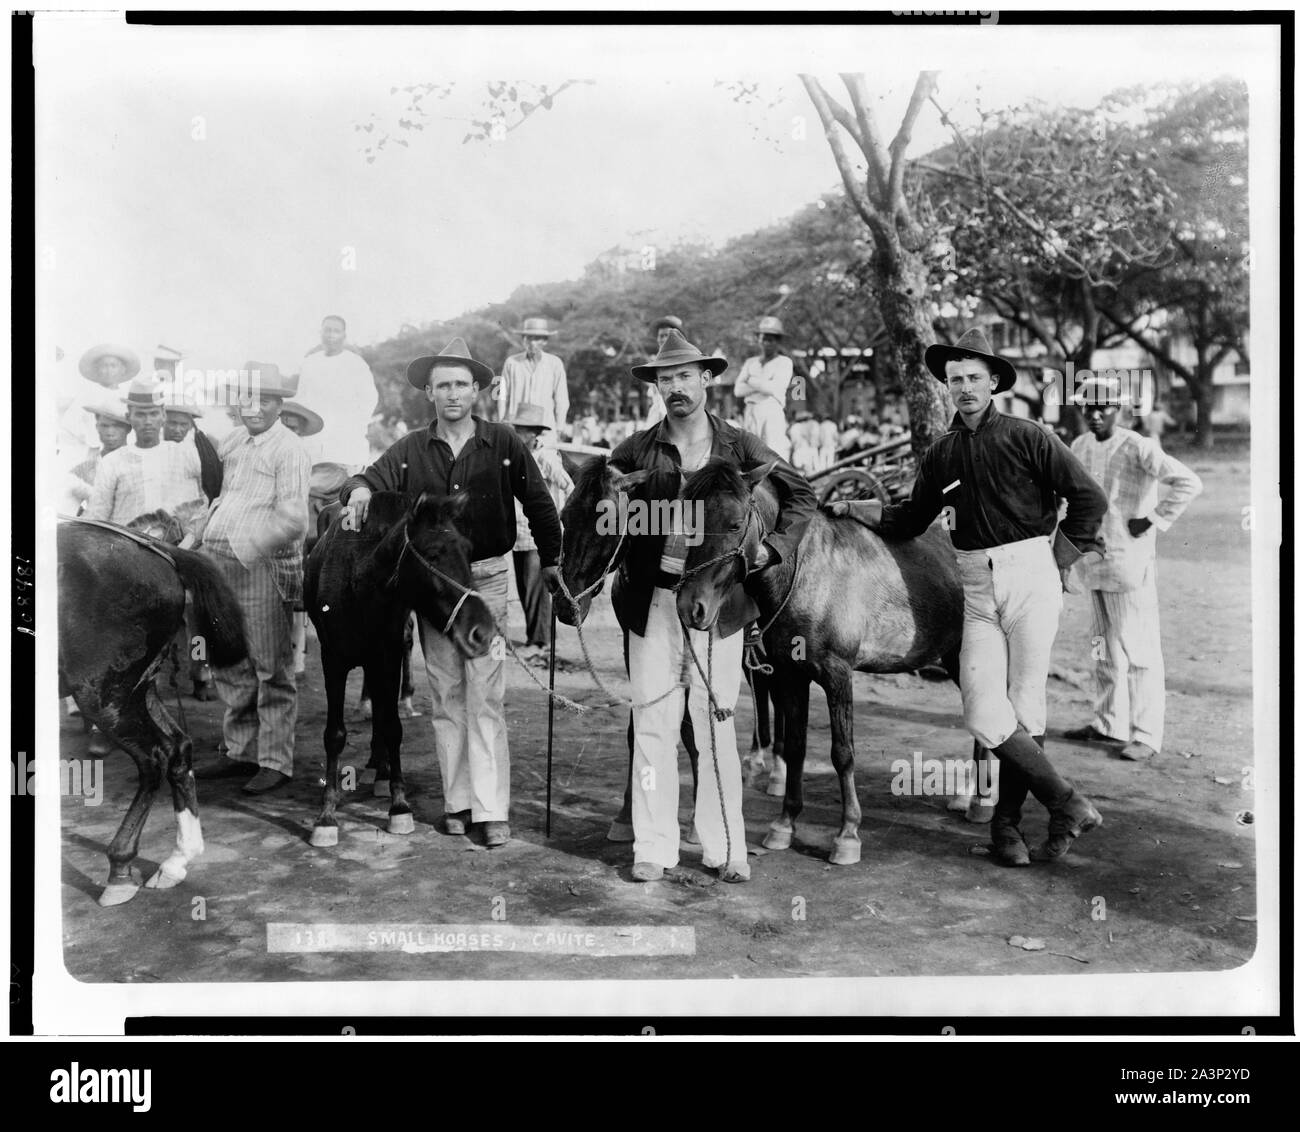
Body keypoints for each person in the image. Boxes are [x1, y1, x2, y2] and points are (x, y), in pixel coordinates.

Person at [831, 328, 1109, 867]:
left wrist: (1059, 561)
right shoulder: (942, 454)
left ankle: (1006, 828)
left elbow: (1088, 500)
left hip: (1032, 572)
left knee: (1027, 705)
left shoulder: (1029, 436)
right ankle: (1066, 802)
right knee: (984, 712)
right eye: (954, 380)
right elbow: (912, 519)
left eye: (974, 378)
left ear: (994, 383)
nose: (963, 388)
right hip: (974, 586)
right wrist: (858, 510)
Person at [607, 329, 816, 883]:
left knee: (715, 721)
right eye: (665, 378)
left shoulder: (742, 446)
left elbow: (802, 495)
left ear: (706, 379)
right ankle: (652, 846)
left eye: (684, 376)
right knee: (652, 720)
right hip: (653, 600)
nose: (675, 387)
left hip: (720, 603)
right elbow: (605, 518)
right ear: (656, 385)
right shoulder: (634, 449)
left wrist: (770, 552)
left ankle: (726, 846)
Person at [341, 338, 563, 849]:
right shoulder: (411, 449)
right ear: (429, 393)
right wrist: (356, 490)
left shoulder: (504, 442)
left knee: (485, 695)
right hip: (433, 589)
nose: (453, 393)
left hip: (485, 578)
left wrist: (551, 563)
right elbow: (366, 476)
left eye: (462, 384)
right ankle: (457, 803)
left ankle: (491, 809)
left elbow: (539, 503)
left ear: (478, 389)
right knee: (445, 693)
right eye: (443, 385)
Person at [1063, 376, 1202, 761]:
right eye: (1087, 408)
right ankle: (1109, 723)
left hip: (1130, 563)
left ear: (1120, 410)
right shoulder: (1079, 445)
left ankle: (1146, 734)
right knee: (1102, 650)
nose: (1094, 415)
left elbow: (1188, 482)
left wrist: (1152, 518)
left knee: (1139, 650)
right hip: (1094, 563)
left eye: (1103, 408)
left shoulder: (1138, 446)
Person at [196, 363, 312, 794]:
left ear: (280, 404)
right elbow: (223, 498)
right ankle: (240, 751)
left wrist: (245, 550)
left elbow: (294, 520)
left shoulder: (290, 449)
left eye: (264, 399)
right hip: (217, 561)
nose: (255, 407)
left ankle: (275, 761)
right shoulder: (233, 443)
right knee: (230, 661)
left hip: (259, 567)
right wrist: (202, 538)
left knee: (270, 666)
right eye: (247, 398)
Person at [84, 378, 207, 531]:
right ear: (129, 417)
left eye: (153, 414)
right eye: (141, 415)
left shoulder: (186, 454)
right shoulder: (112, 462)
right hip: (130, 546)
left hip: (179, 548)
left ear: (163, 416)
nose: (148, 421)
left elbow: (206, 499)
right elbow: (98, 514)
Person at [506, 402, 574, 655]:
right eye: (516, 428)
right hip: (518, 535)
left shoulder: (546, 457)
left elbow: (569, 487)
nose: (517, 433)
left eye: (522, 430)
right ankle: (534, 639)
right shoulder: (515, 457)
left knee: (536, 590)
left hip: (539, 536)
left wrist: (561, 515)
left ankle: (540, 642)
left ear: (534, 432)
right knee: (525, 589)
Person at [297, 315, 379, 472]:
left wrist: (354, 427)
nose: (331, 335)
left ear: (344, 336)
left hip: (345, 439)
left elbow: (369, 400)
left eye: (336, 331)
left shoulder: (356, 364)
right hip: (313, 439)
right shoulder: (309, 363)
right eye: (327, 330)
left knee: (344, 486)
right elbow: (302, 399)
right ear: (320, 333)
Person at [494, 317, 570, 443]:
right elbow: (502, 395)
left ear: (544, 341)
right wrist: (502, 420)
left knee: (547, 461)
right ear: (523, 340)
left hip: (545, 429)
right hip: (516, 428)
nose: (532, 342)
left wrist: (560, 427)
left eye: (536, 338)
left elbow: (561, 399)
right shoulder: (512, 363)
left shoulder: (554, 364)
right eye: (528, 338)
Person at [733, 316, 794, 460]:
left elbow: (774, 388)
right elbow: (738, 390)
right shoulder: (751, 362)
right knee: (750, 454)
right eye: (763, 339)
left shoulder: (784, 362)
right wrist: (764, 384)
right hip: (751, 411)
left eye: (770, 339)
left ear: (778, 341)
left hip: (771, 410)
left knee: (774, 453)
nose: (766, 343)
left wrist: (751, 380)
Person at [68, 404, 131, 512]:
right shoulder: (85, 469)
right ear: (97, 427)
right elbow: (65, 504)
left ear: (128, 428)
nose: (110, 432)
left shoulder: (142, 464)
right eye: (105, 426)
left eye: (117, 426)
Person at [643, 316, 684, 428]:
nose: (663, 339)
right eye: (661, 336)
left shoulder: (684, 359)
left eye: (667, 335)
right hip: (659, 409)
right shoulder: (655, 361)